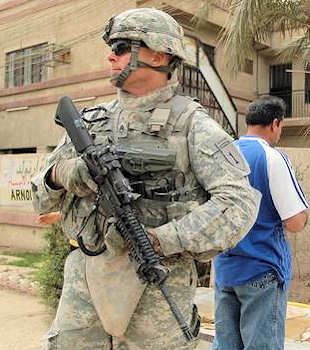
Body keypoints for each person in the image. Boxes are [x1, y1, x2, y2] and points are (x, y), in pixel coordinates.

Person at [31, 8, 260, 350]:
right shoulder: (90, 122)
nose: (110, 55)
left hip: (157, 289)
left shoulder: (193, 126)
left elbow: (238, 206)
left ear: (158, 52)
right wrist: (62, 174)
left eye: (121, 47)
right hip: (86, 284)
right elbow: (39, 196)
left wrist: (161, 239)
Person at [212, 95, 309, 350]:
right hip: (262, 270)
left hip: (225, 268)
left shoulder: (222, 155)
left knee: (225, 345)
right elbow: (296, 222)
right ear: (275, 124)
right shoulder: (272, 158)